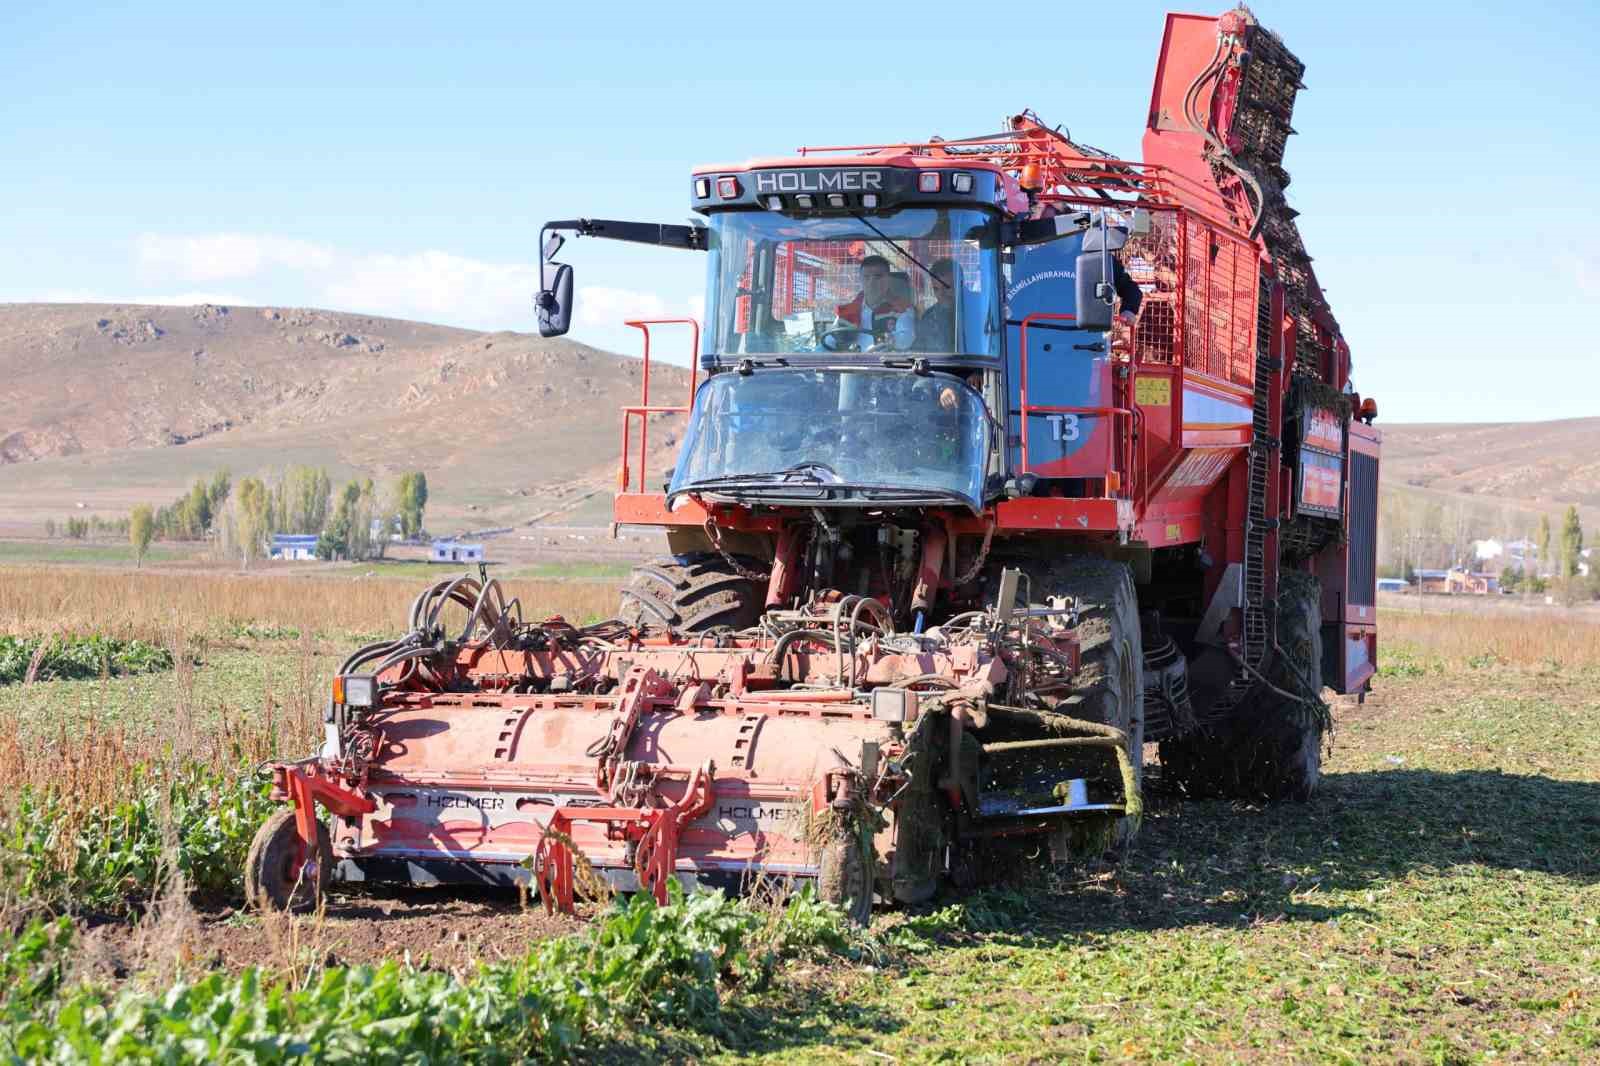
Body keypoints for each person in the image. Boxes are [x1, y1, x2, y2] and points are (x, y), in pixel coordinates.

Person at [833, 254, 914, 351]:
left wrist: (891, 340)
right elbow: (828, 342)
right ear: (861, 280)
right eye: (867, 277)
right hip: (851, 364)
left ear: (888, 280)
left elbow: (906, 338)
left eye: (878, 277)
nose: (871, 282)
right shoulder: (847, 312)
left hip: (887, 364)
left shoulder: (901, 310)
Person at [914, 257, 958, 351]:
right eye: (936, 289)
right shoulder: (928, 318)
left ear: (961, 284)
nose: (941, 294)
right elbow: (920, 352)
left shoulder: (979, 311)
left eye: (947, 287)